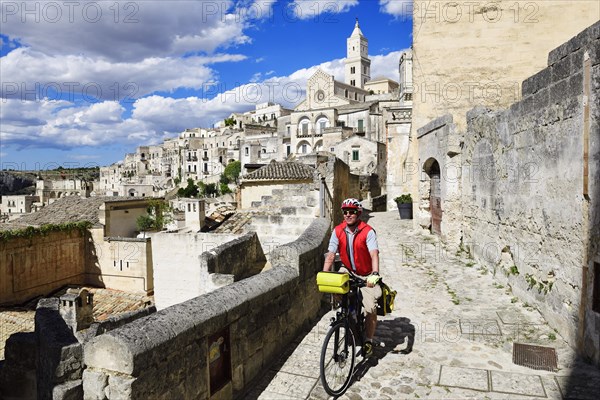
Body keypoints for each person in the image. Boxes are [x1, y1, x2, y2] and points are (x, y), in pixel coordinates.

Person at [323, 198, 381, 357]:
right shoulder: (337, 230)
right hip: (347, 269)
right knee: (335, 286)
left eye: (352, 212)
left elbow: (374, 253)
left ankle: (368, 340)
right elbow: (331, 254)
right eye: (345, 212)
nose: (348, 215)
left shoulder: (368, 231)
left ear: (358, 213)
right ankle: (349, 312)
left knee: (370, 307)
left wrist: (374, 274)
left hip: (367, 273)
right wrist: (325, 273)